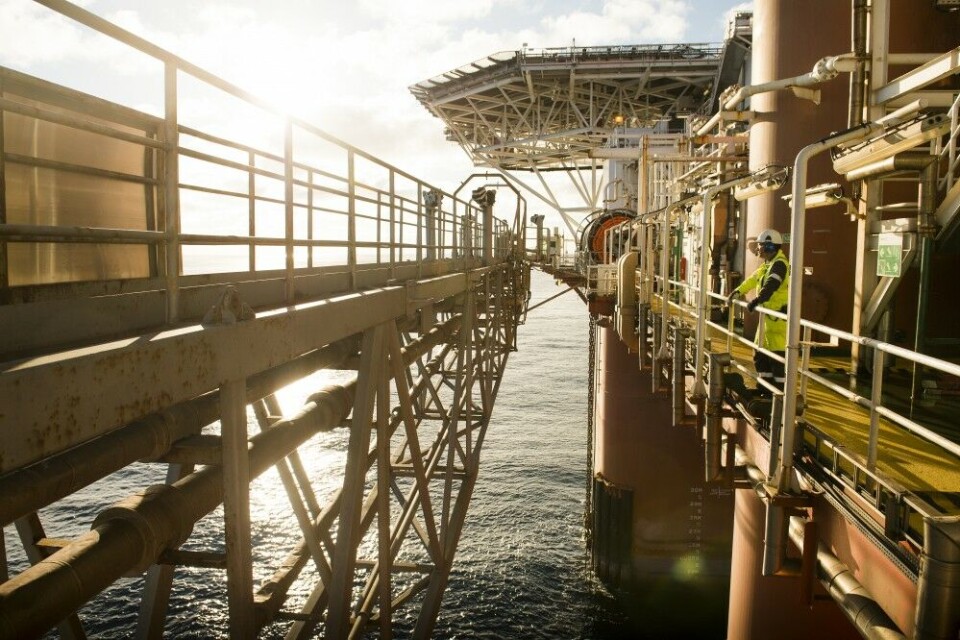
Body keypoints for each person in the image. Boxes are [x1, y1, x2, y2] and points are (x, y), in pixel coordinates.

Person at [727, 229, 789, 398]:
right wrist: (737, 292)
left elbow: (772, 284)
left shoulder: (779, 264)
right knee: (760, 356)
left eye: (761, 245)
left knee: (776, 360)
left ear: (769, 246)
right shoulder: (768, 264)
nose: (758, 249)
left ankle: (779, 395)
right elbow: (754, 279)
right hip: (767, 321)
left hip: (777, 322)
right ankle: (765, 389)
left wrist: (757, 300)